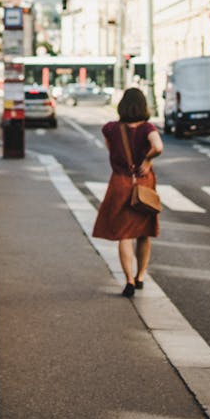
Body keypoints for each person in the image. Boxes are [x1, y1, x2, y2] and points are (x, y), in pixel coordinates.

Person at [92, 87, 163, 298]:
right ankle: (141, 276)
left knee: (124, 234)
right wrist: (148, 160)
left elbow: (111, 150)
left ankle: (129, 280)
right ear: (143, 106)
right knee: (143, 232)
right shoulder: (146, 128)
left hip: (120, 183)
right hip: (143, 184)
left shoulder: (111, 129)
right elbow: (158, 146)